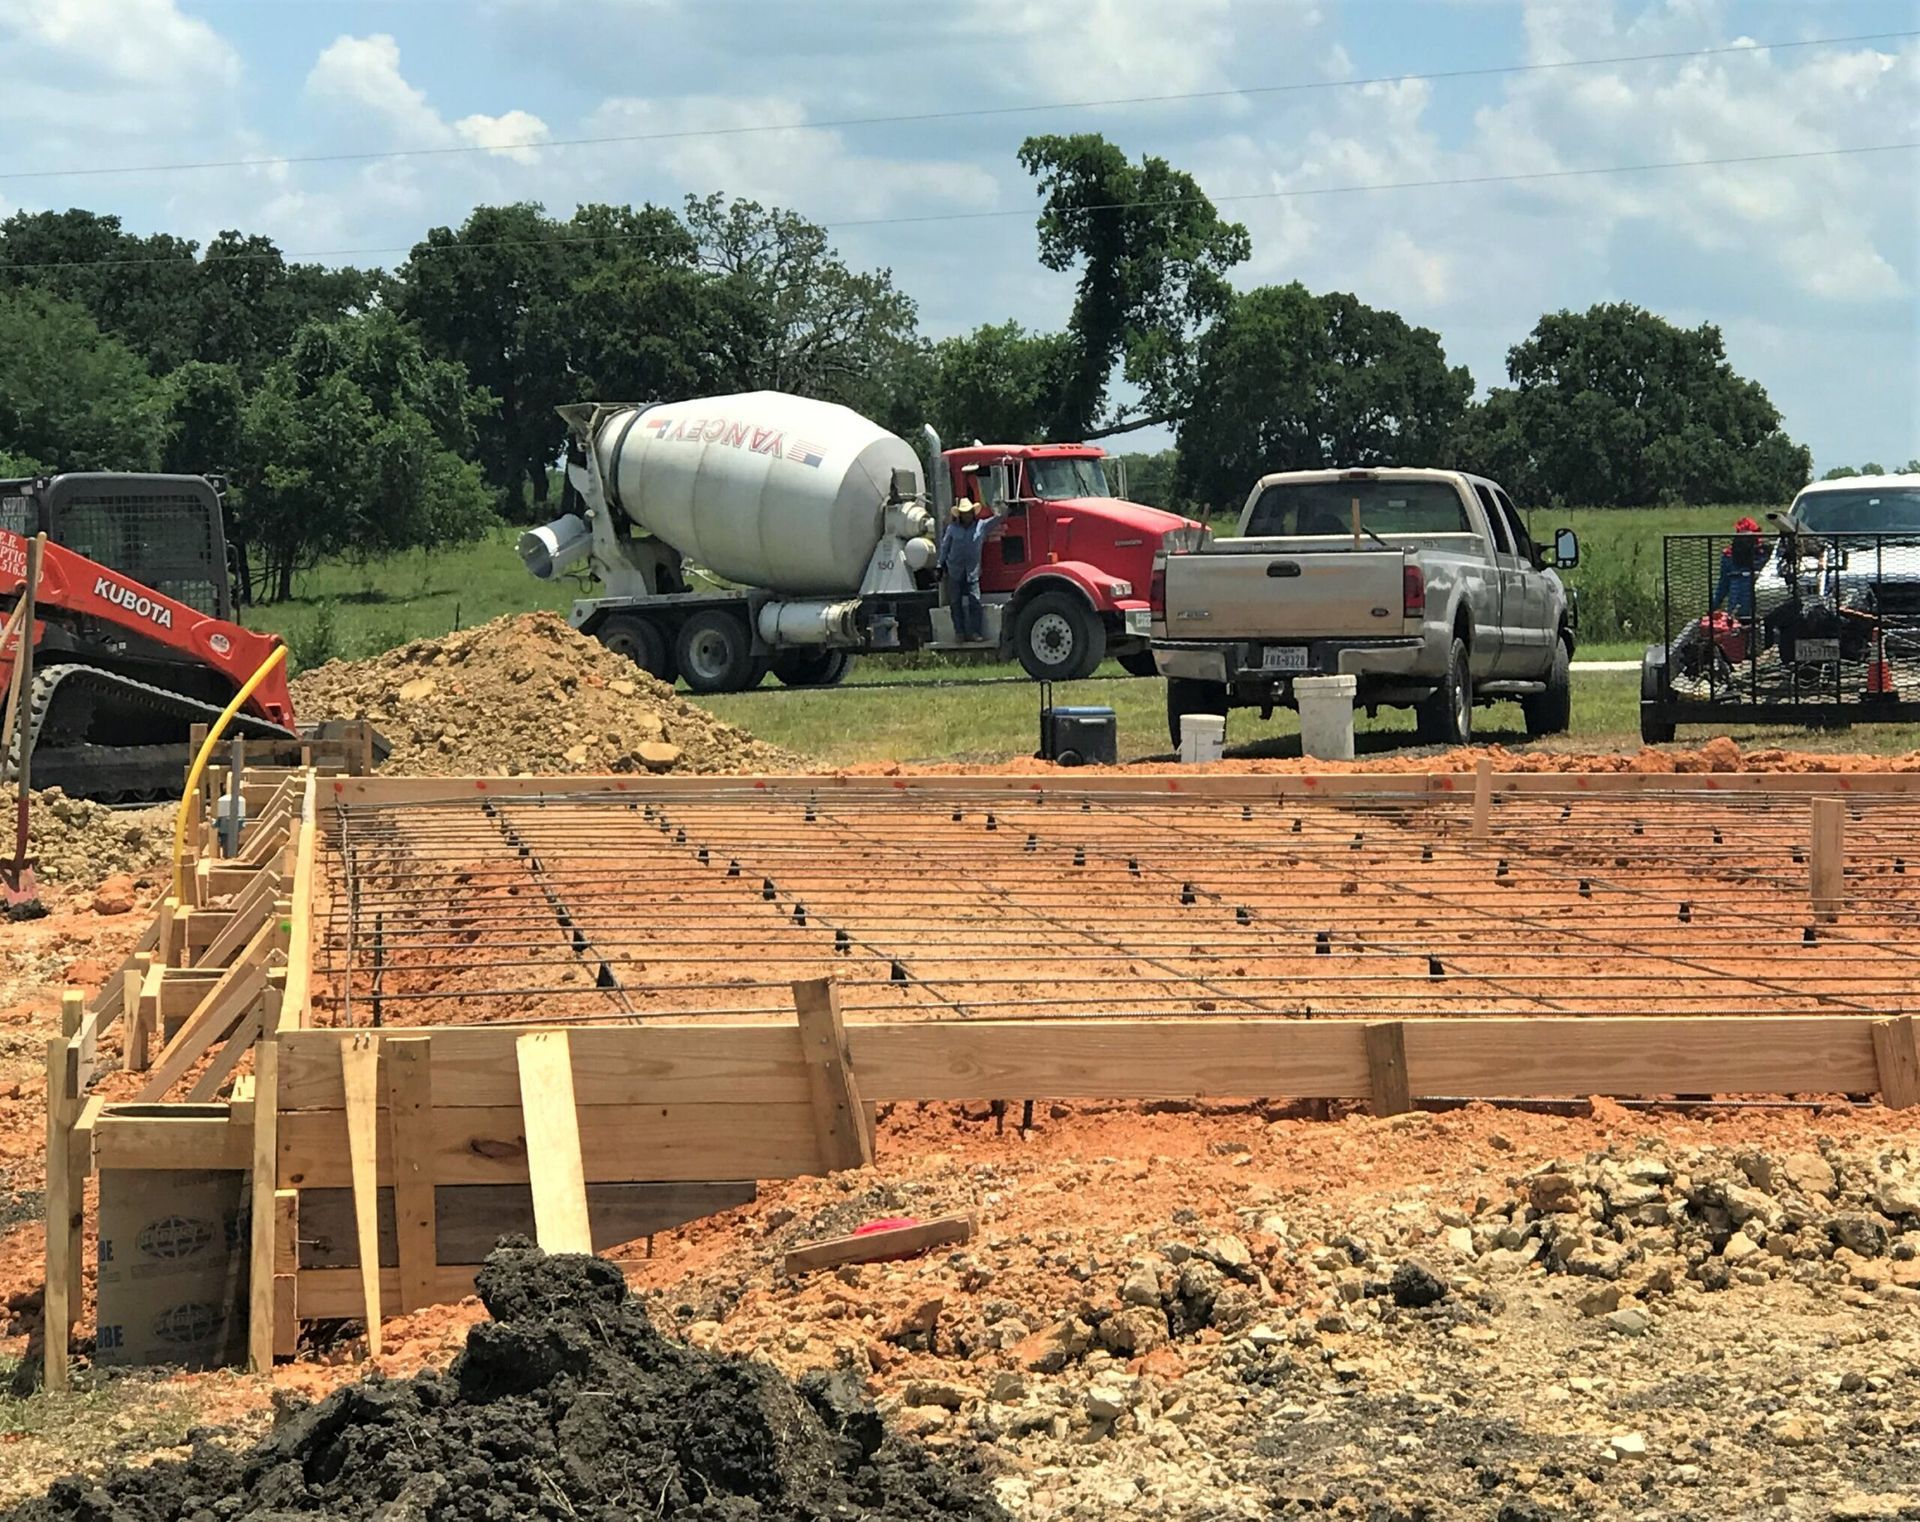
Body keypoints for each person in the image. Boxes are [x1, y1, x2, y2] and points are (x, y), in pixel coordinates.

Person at [937, 498, 1001, 642]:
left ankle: (975, 632)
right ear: (959, 514)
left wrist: (1006, 509)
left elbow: (997, 519)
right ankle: (959, 632)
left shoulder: (981, 526)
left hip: (972, 572)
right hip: (954, 570)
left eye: (969, 513)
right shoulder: (952, 529)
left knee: (975, 601)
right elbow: (945, 547)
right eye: (964, 513)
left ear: (973, 513)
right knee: (955, 602)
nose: (967, 515)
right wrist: (940, 565)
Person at [1712, 516, 1769, 618]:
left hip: (1758, 606)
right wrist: (1714, 607)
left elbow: (1723, 585)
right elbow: (1723, 585)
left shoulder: (1762, 554)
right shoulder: (1729, 557)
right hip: (1739, 606)